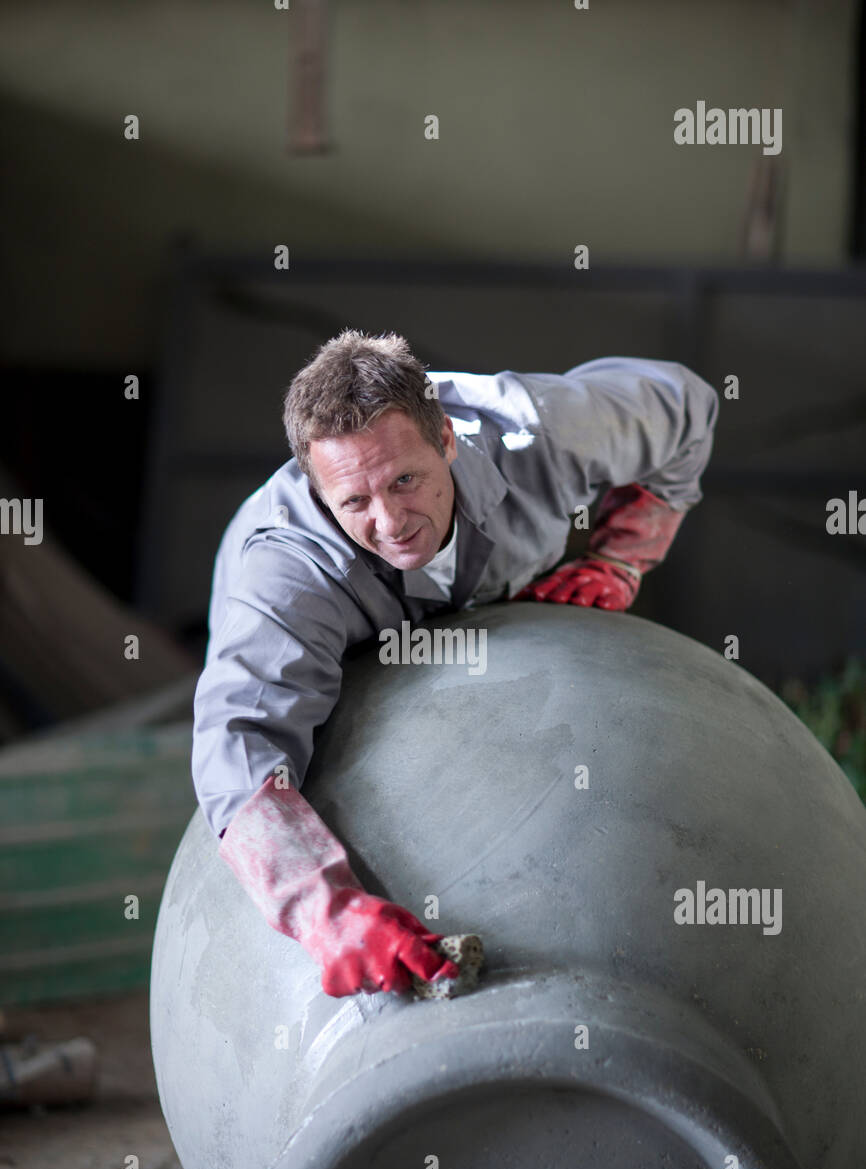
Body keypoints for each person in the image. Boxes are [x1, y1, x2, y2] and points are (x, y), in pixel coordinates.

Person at [192, 330, 719, 998]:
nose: (390, 521)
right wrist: (327, 916)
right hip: (326, 641)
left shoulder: (545, 435)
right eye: (354, 501)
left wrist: (623, 556)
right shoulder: (284, 580)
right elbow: (236, 749)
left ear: (444, 436)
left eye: (404, 480)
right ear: (320, 492)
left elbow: (688, 409)